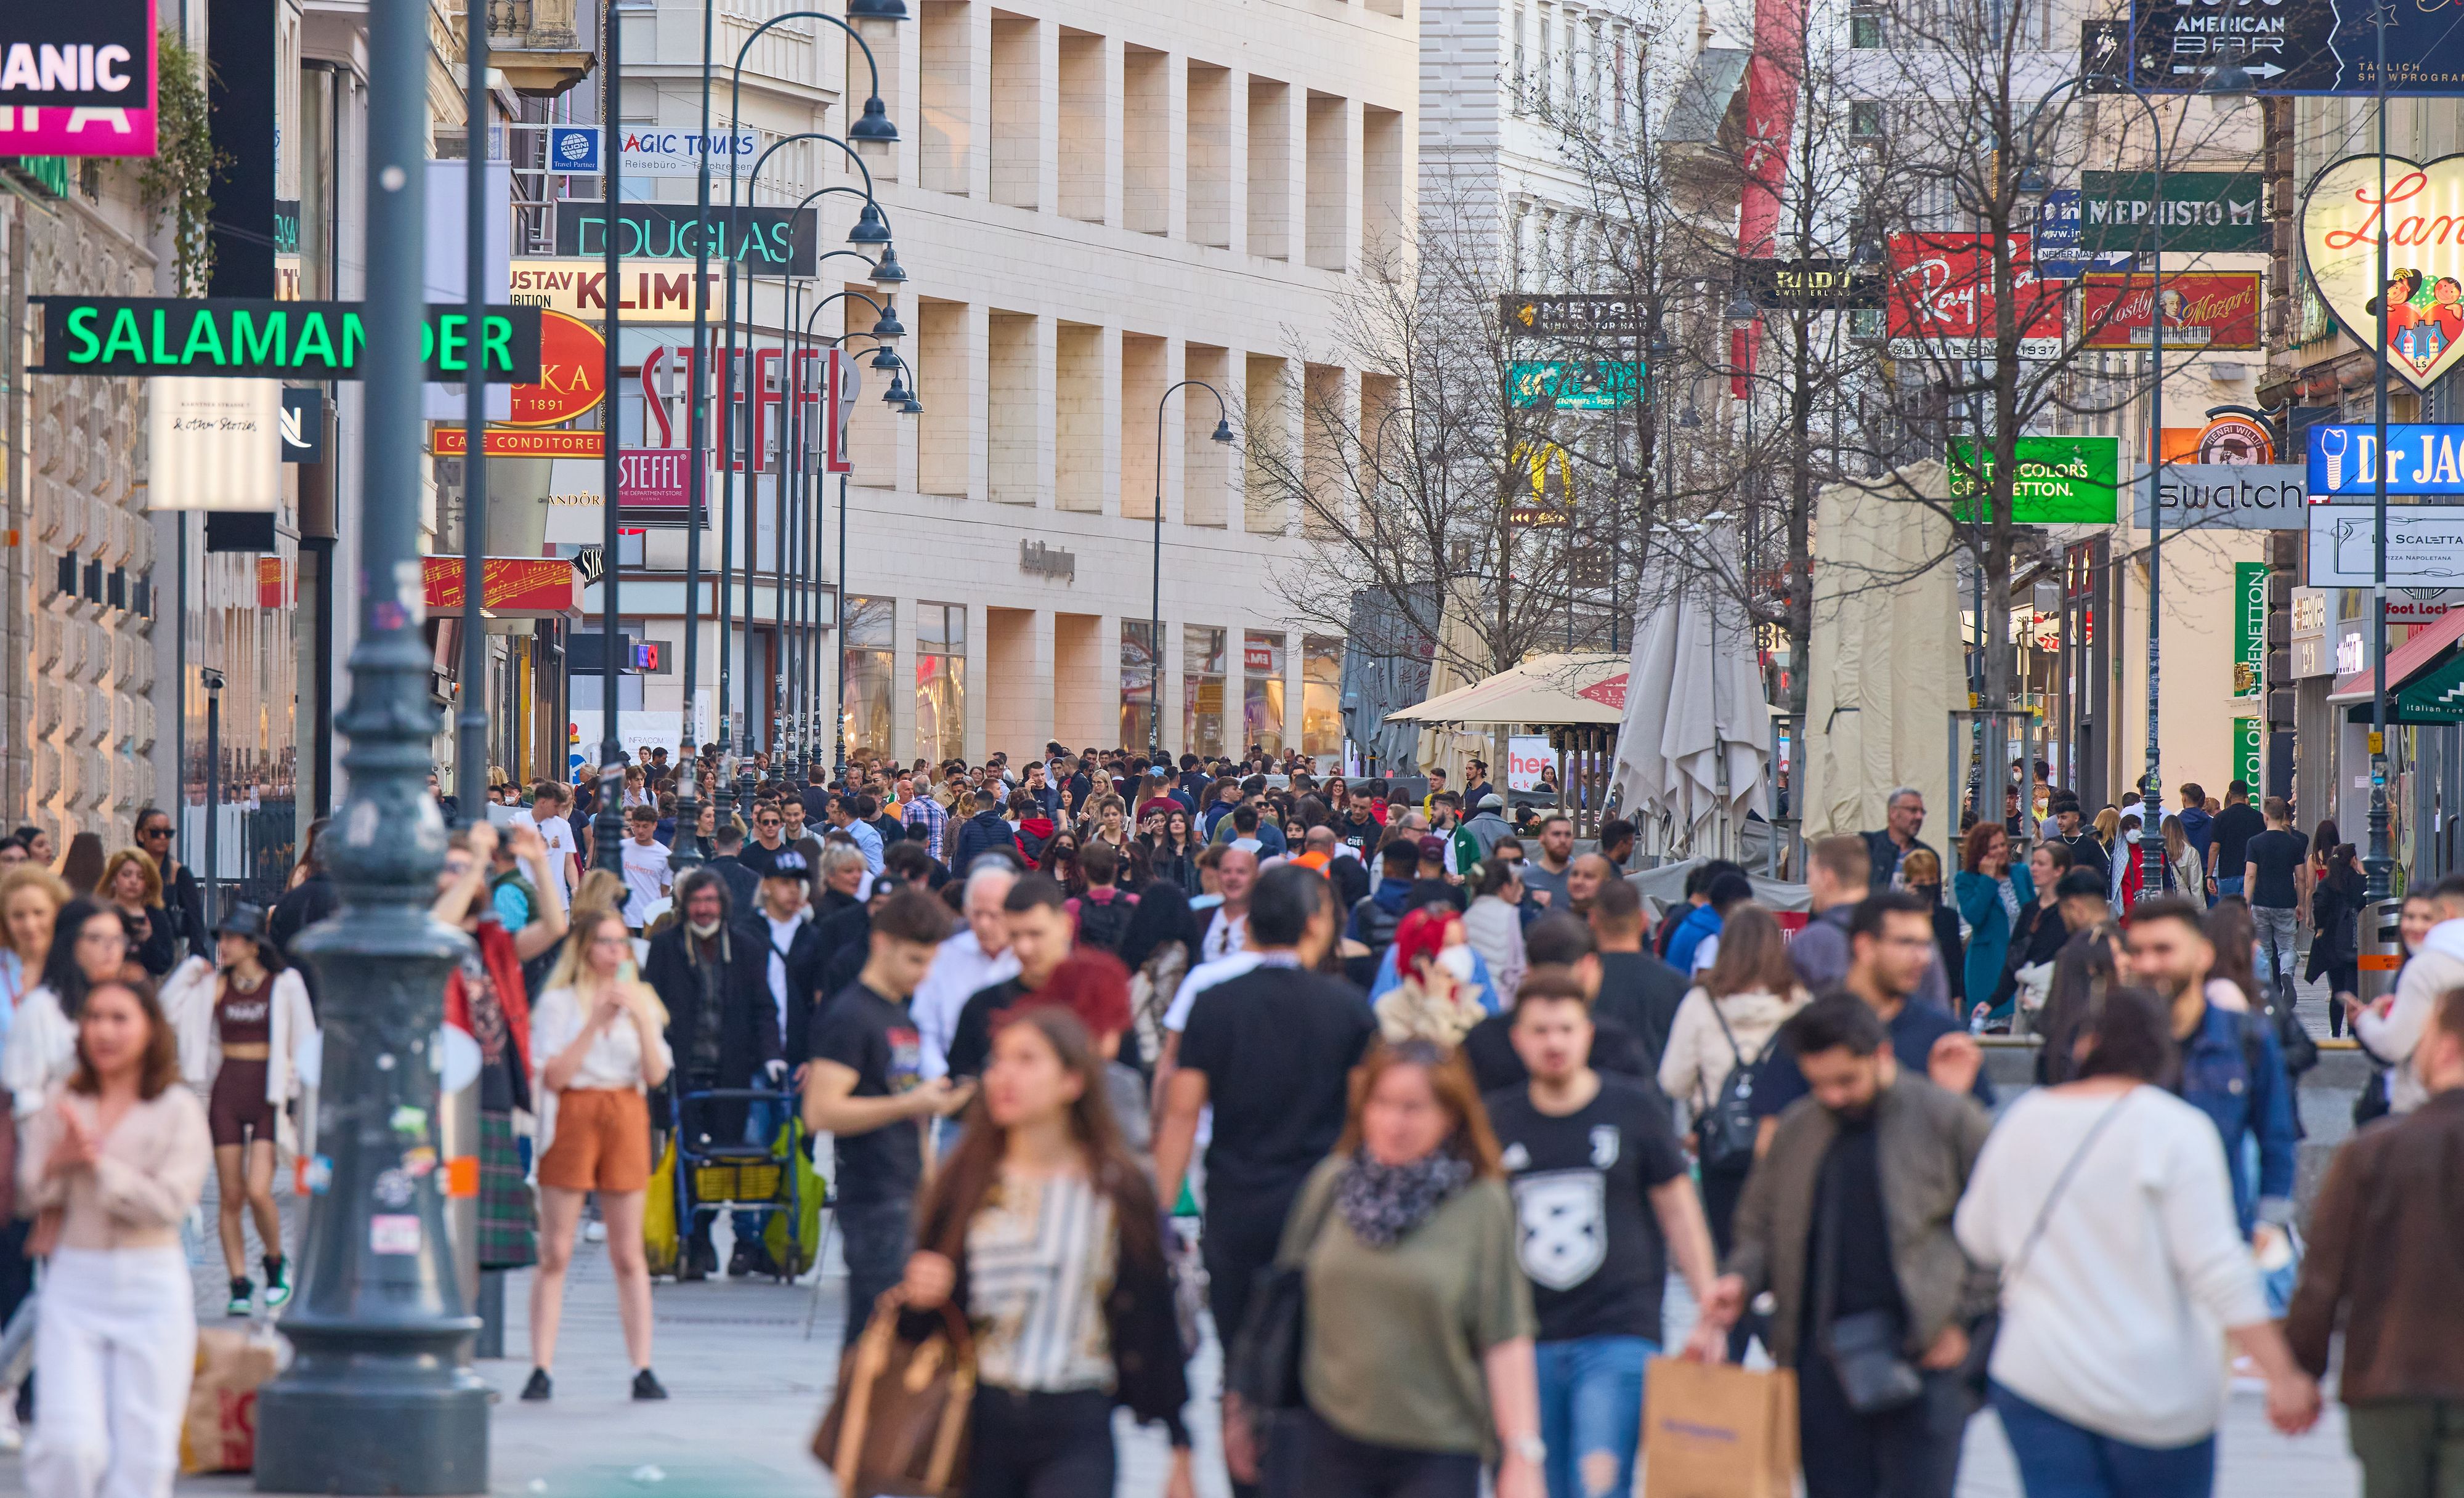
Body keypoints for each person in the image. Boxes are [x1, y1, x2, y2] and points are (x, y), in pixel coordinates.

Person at [1958, 986, 2320, 1497]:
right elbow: (2216, 1267)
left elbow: (1977, 1236)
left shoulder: (2025, 1119)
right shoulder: (2178, 1131)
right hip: (2159, 1391)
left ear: (2085, 1046)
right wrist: (2282, 1373)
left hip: (2041, 1378)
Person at [1690, 995, 1990, 1498]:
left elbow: (2002, 1229)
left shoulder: (1945, 1120)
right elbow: (1760, 1225)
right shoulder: (1799, 1128)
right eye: (1819, 1083)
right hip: (1819, 1364)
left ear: (1882, 1055)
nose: (1832, 1095)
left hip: (1924, 1358)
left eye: (1846, 1081)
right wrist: (1740, 1279)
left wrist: (1964, 1324)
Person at [898, 1006, 1194, 1498]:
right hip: (978, 1419)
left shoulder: (1116, 1191)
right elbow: (919, 1324)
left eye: (1027, 1060)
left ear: (1072, 1082)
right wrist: (921, 1296)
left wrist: (1180, 1446)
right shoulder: (966, 1183)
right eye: (998, 1061)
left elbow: (1152, 1314)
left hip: (1077, 1419)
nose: (1004, 1076)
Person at [1153, 865, 1374, 1493]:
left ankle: (1248, 1477)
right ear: (1316, 923)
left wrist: (1160, 1213)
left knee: (1241, 1362)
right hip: (1323, 1216)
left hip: (1236, 1207)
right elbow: (1366, 1125)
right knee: (1316, 1363)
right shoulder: (1349, 1011)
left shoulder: (1215, 1005)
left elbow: (1180, 1112)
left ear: (1249, 922)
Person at [1267, 1038, 1540, 1498]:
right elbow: (1283, 1299)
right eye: (1382, 1104)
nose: (1394, 1123)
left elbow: (1505, 1334)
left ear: (1450, 1115)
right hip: (1329, 1436)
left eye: (1413, 1108)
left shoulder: (1480, 1203)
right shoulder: (1332, 1185)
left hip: (1438, 1445)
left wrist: (1522, 1454)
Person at [1489, 971, 1717, 1498]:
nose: (1554, 1043)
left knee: (1598, 1483)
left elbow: (1679, 1211)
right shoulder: (1496, 1122)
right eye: (1541, 1031)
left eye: (1566, 1029)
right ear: (1518, 1038)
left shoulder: (1633, 1111)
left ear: (1587, 1034)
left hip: (1618, 1329)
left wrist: (1708, 1306)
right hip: (1528, 1335)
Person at [18, 977, 211, 1498]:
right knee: (69, 1447)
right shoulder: (65, 1099)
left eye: (120, 1018)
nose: (104, 1030)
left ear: (150, 1029)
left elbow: (170, 1204)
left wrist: (100, 1166)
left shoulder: (177, 1109)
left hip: (152, 1286)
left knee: (145, 1461)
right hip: (75, 1281)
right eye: (94, 1017)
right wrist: (62, 1164)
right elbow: (27, 1193)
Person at [2289, 984, 2464, 1496]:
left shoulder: (2375, 1151)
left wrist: (2300, 1371)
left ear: (2445, 1048)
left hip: (2390, 1376)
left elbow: (2323, 1277)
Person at [803, 890, 970, 1350]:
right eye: (915, 959)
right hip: (872, 1197)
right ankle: (853, 1420)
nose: (925, 973)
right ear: (882, 944)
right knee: (872, 1337)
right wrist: (910, 1105)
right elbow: (820, 1110)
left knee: (893, 1338)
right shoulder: (851, 1016)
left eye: (930, 961)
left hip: (905, 1193)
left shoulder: (900, 1015)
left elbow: (910, 1109)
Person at [524, 910, 675, 1402]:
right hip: (575, 1109)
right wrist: (595, 1022)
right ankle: (541, 1366)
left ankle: (643, 1366)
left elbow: (655, 1075)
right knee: (557, 1251)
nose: (616, 951)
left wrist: (639, 1020)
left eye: (621, 943)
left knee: (629, 1253)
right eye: (606, 942)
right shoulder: (559, 1003)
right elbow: (554, 1076)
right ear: (586, 948)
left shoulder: (644, 1001)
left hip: (626, 1110)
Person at [158, 905, 316, 1316]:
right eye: (221, 938)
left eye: (229, 938)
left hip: (267, 1094)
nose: (222, 945)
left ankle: (275, 1263)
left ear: (252, 944)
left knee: (259, 1190)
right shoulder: (214, 985)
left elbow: (303, 1042)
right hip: (226, 1091)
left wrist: (295, 1095)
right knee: (230, 1195)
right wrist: (190, 973)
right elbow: (164, 1015)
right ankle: (239, 1282)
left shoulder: (285, 984)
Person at [2122, 897, 2298, 1240]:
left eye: (2163, 949)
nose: (2147, 964)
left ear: (2203, 955)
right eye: (2137, 951)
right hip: (2132, 1247)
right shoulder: (2111, 1043)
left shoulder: (2246, 1037)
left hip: (2219, 1235)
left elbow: (2276, 1138)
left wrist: (2268, 1227)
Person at [640, 868, 782, 1281]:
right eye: (697, 902)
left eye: (711, 902)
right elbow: (653, 1005)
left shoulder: (746, 947)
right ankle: (695, 1242)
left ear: (723, 904)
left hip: (732, 1071)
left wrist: (772, 1056)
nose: (704, 910)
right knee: (686, 1158)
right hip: (681, 1071)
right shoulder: (666, 947)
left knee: (726, 1157)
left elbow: (764, 1007)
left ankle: (720, 1238)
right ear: (686, 906)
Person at [1757, 892, 1992, 1137]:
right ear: (1865, 946)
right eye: (1906, 943)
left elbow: (1977, 1147)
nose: (1923, 958)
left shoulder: (1944, 1036)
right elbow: (1771, 1143)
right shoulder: (1811, 1028)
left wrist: (1951, 1101)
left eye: (1925, 945)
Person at [1659, 904, 1811, 1274]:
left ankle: (1737, 1328)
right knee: (1782, 1252)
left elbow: (1673, 1079)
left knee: (1728, 1256)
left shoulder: (1701, 1003)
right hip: (1786, 1144)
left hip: (1720, 1144)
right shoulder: (1800, 1004)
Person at [3, 899, 142, 1114]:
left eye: (117, 939)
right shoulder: (42, 1007)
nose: (110, 949)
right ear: (71, 942)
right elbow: (22, 1090)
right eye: (96, 938)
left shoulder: (133, 1002)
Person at [1793, 836, 1951, 1014]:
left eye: (1810, 875)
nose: (1809, 885)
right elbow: (1939, 1007)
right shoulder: (1916, 937)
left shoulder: (1811, 943)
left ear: (1827, 878)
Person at [944, 875, 1075, 1082]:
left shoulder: (1093, 995)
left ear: (1066, 926)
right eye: (1014, 936)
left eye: (1036, 934)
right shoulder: (982, 1005)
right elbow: (960, 1081)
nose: (1024, 948)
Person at [912, 862, 1021, 1080]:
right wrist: (940, 1076)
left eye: (994, 915)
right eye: (977, 914)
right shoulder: (944, 956)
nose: (984, 924)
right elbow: (924, 1028)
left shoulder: (1027, 959)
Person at [1586, 882, 1688, 1069]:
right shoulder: (1676, 983)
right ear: (1643, 921)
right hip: (1654, 1089)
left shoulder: (1578, 981)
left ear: (1592, 919)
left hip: (1594, 1090)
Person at [1375, 907, 1493, 1046]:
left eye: (1464, 943)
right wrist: (1437, 1004)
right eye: (1449, 945)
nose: (1462, 953)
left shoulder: (1473, 1009)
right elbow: (1428, 1061)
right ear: (1422, 958)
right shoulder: (1391, 1010)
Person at [1118, 879, 1199, 1071]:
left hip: (1139, 1046)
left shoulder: (1136, 951)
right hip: (1164, 1050)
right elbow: (1167, 1002)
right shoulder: (1181, 952)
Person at [1951, 823, 2028, 1025]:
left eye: (2003, 844)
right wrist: (1988, 879)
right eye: (1994, 847)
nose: (2001, 850)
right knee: (1995, 1028)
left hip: (2023, 962)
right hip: (1988, 964)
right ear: (1980, 852)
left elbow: (2032, 912)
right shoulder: (1965, 880)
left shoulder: (2020, 872)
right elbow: (1974, 916)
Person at [2243, 797, 2308, 1008]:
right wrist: (2301, 904)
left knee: (2263, 949)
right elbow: (2301, 878)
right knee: (2287, 947)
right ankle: (2286, 975)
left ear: (2266, 815)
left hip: (2261, 901)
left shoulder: (2255, 842)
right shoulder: (2294, 843)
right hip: (2286, 902)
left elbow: (2251, 875)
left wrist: (2247, 902)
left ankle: (2268, 991)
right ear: (2284, 816)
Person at [129, 809, 203, 972]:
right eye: (156, 832)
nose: (163, 837)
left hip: (167, 955)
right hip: (133, 953)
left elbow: (196, 923)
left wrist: (198, 963)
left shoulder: (178, 874)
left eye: (168, 833)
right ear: (141, 835)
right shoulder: (130, 873)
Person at [2307, 841, 2364, 1038]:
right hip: (2355, 942)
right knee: (2353, 990)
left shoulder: (2328, 883)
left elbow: (2319, 906)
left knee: (2337, 990)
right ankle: (2352, 1031)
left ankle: (2336, 1033)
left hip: (2333, 942)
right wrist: (2362, 872)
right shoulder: (2360, 882)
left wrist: (2320, 927)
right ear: (2353, 860)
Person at [95, 849, 174, 979]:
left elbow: (164, 964)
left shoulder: (155, 915)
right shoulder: (99, 911)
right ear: (115, 876)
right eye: (126, 875)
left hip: (142, 991)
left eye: (141, 877)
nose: (133, 881)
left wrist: (149, 940)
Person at [1464, 858, 1530, 1002]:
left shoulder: (1465, 918)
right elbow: (1519, 968)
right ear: (1506, 887)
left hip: (1472, 1000)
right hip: (1503, 999)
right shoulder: (1514, 915)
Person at [511, 780, 583, 899]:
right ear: (543, 802)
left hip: (558, 899)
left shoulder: (564, 826)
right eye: (555, 806)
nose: (558, 810)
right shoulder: (518, 821)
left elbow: (569, 863)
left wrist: (575, 888)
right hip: (526, 898)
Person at [1863, 787, 1934, 891]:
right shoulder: (1867, 847)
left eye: (1922, 812)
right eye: (1913, 810)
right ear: (1893, 813)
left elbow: (1934, 903)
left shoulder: (1928, 855)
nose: (1919, 817)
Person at [618, 805, 671, 932]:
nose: (640, 831)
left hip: (651, 919)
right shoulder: (621, 848)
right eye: (637, 826)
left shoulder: (665, 855)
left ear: (655, 825)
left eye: (645, 826)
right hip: (624, 919)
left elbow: (665, 891)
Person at [1201, 845, 1257, 960]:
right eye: (1227, 871)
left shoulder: (1266, 921)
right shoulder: (1201, 918)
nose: (1233, 878)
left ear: (1255, 877)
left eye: (1241, 872)